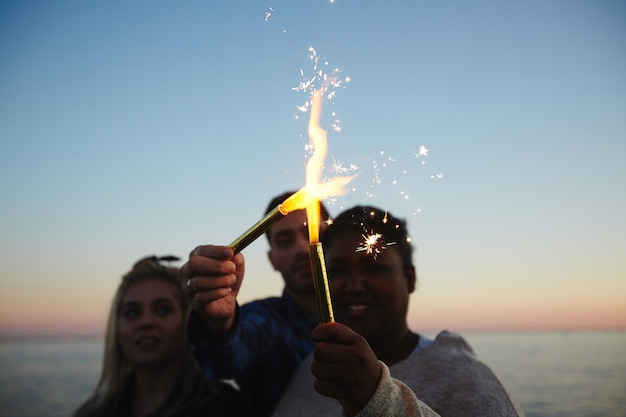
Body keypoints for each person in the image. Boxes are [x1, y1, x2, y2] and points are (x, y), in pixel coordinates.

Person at [271, 206, 525, 417]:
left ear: (410, 279)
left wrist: (375, 398)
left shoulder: (465, 380)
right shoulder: (311, 371)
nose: (355, 286)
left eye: (374, 268)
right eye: (336, 270)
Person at [181, 191, 332, 417]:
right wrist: (221, 324)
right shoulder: (266, 322)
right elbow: (226, 361)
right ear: (272, 259)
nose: (301, 249)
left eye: (310, 232)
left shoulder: (364, 313)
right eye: (285, 241)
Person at [73, 255, 247, 417]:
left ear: (186, 319)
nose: (146, 322)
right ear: (116, 326)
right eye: (132, 313)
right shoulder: (93, 413)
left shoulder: (228, 407)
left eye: (163, 309)